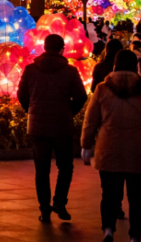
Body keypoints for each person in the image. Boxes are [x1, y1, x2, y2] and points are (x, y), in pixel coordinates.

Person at [81, 50, 141, 242]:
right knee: (138, 197)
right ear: (136, 66)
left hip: (108, 148)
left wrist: (86, 145)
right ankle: (135, 236)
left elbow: (91, 120)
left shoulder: (102, 89)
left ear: (115, 65)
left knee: (109, 194)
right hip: (139, 150)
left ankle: (108, 230)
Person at [18, 33, 88, 222]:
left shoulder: (31, 70)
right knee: (66, 167)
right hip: (62, 125)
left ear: (44, 47)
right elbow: (81, 96)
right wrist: (68, 111)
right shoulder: (70, 71)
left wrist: (32, 111)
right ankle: (59, 202)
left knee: (42, 170)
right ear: (61, 49)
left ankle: (44, 209)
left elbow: (22, 95)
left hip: (38, 126)